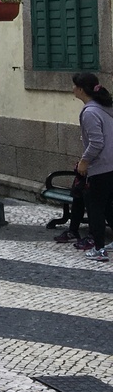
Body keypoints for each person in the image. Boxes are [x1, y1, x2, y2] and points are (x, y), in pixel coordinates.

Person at [72, 73, 113, 262]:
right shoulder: (106, 107)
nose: (72, 89)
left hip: (101, 167)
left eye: (74, 86)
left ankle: (99, 249)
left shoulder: (90, 112)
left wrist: (84, 161)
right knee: (109, 207)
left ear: (81, 89)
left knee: (95, 208)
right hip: (111, 165)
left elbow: (96, 142)